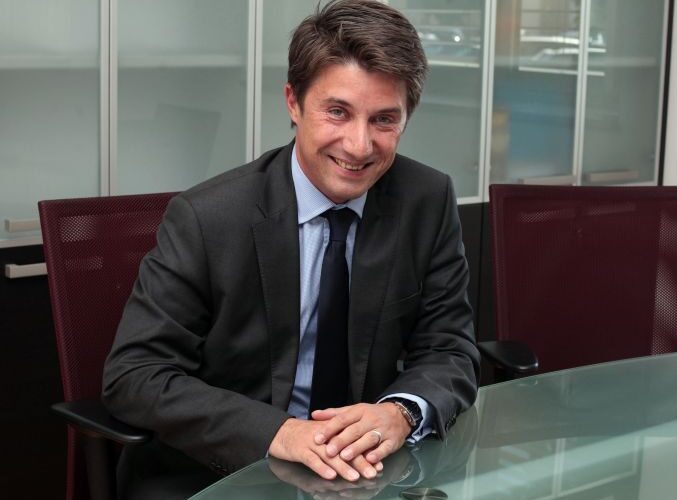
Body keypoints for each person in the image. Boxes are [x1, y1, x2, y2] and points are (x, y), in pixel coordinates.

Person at [102, 0, 480, 497]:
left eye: (384, 120)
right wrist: (278, 432)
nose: (359, 145)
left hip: (365, 475)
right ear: (293, 103)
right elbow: (135, 376)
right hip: (224, 474)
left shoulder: (426, 200)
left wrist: (400, 412)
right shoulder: (208, 217)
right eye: (338, 112)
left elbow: (450, 348)